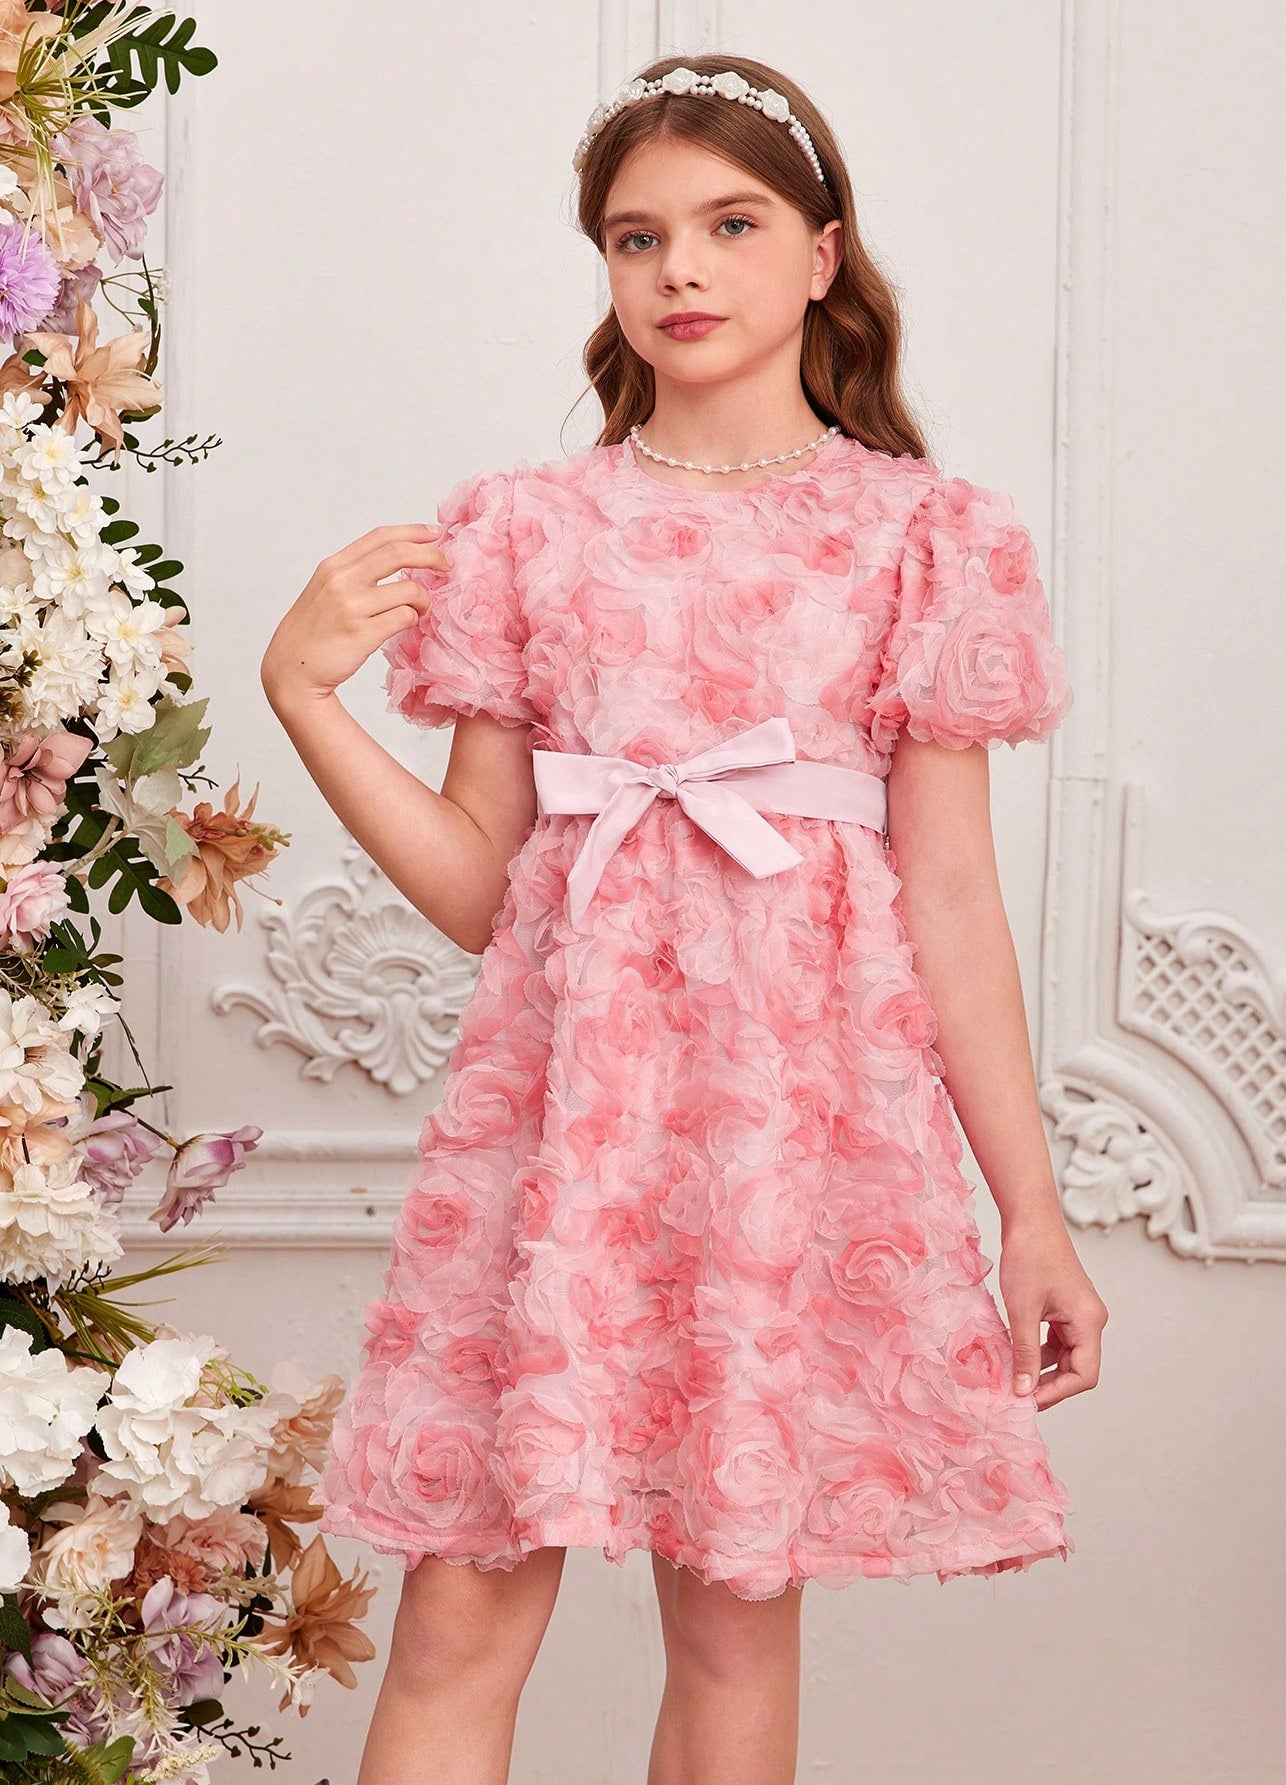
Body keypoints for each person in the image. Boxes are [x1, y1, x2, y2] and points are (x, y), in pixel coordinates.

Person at [260, 49, 1108, 1785]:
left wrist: (1031, 1209)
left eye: (731, 226)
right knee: (458, 1616)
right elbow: (485, 887)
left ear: (823, 252)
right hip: (562, 1135)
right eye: (637, 238)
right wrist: (303, 695)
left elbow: (953, 898)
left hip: (783, 1139)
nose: (682, 271)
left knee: (731, 1620)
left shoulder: (921, 536)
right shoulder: (529, 529)